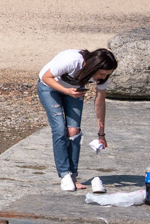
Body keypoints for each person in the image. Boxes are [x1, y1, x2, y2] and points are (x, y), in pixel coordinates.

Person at [38, 47, 116, 190]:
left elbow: (99, 102)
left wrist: (101, 134)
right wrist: (66, 91)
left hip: (73, 90)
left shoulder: (102, 78)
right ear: (94, 66)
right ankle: (64, 174)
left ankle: (73, 176)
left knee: (74, 131)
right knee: (60, 129)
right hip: (49, 87)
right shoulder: (73, 60)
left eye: (107, 74)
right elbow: (46, 77)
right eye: (102, 73)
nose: (104, 77)